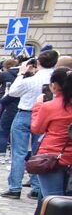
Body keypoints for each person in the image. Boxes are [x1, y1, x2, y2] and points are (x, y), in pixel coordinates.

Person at [3, 49, 59, 200]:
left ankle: (15, 187)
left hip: (25, 113)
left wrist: (21, 73)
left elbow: (13, 92)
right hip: (46, 116)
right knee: (39, 152)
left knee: (18, 152)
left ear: (38, 63)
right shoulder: (55, 79)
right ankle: (36, 187)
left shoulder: (32, 79)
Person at [29, 67, 71, 198]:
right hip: (68, 157)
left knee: (53, 199)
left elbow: (37, 128)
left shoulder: (50, 106)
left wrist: (37, 107)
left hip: (51, 156)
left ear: (54, 85)